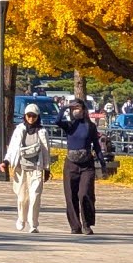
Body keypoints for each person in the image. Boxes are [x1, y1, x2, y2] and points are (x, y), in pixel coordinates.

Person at [0, 103, 51, 233]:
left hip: (36, 169)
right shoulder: (19, 130)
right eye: (29, 115)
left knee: (35, 196)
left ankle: (33, 224)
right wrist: (6, 161)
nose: (31, 118)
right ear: (25, 116)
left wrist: (47, 169)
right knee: (22, 197)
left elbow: (46, 151)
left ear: (37, 116)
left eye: (34, 116)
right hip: (21, 168)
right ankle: (21, 218)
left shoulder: (42, 132)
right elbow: (12, 148)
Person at [57, 97, 105, 235]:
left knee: (85, 193)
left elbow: (96, 146)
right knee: (70, 195)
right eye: (74, 109)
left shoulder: (90, 126)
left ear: (84, 110)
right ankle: (75, 225)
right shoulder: (69, 125)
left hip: (86, 164)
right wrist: (65, 107)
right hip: (71, 164)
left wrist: (102, 163)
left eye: (78, 108)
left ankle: (87, 224)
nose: (76, 111)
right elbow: (57, 121)